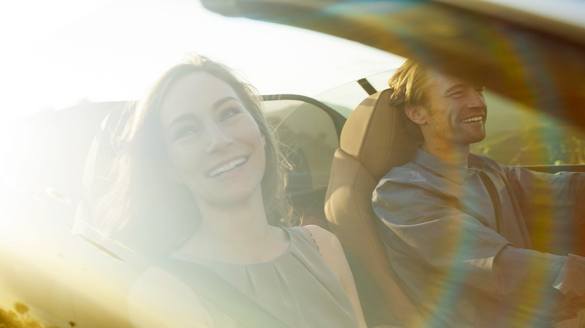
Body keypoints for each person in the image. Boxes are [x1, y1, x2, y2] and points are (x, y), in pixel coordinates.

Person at [98, 55, 367, 327]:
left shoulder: (323, 246)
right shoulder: (163, 291)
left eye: (228, 113)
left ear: (260, 131)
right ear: (169, 167)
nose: (219, 141)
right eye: (187, 131)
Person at [372, 59, 585, 327]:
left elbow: (563, 190)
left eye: (479, 90)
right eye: (457, 93)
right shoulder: (400, 193)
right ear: (417, 113)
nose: (478, 102)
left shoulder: (485, 170)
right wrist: (576, 273)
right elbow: (497, 266)